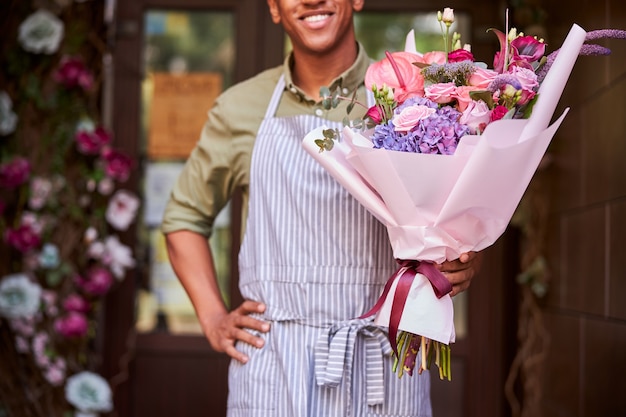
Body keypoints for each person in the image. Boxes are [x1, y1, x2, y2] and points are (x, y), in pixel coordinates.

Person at [162, 0, 483, 416]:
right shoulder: (240, 108)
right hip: (273, 369)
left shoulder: (411, 100)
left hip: (383, 363)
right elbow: (183, 220)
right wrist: (211, 317)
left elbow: (453, 220)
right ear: (274, 9)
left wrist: (463, 261)